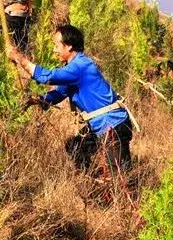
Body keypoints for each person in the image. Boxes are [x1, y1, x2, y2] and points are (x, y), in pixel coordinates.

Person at [9, 24, 135, 175]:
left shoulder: (80, 66)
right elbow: (59, 94)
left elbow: (46, 77)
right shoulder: (74, 68)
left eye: (56, 45)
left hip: (113, 124)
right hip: (100, 126)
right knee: (75, 147)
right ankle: (96, 187)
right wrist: (38, 100)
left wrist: (19, 58)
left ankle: (123, 195)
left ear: (68, 46)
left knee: (121, 178)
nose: (54, 50)